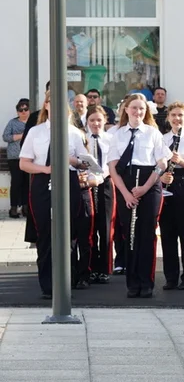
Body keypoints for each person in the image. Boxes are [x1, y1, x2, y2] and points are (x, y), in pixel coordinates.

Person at [19, 96, 90, 299]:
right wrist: (46, 169)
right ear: (46, 105)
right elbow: (24, 163)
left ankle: (66, 284)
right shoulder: (36, 131)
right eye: (52, 101)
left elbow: (85, 162)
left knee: (67, 233)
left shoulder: (74, 132)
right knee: (45, 233)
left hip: (68, 181)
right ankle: (48, 285)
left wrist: (72, 160)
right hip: (43, 182)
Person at [108, 93, 170, 299]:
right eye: (133, 108)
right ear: (126, 110)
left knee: (146, 234)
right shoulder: (117, 134)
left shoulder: (153, 133)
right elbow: (113, 168)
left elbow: (161, 163)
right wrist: (126, 194)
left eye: (141, 108)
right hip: (126, 184)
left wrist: (144, 188)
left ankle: (146, 282)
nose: (137, 112)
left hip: (149, 183)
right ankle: (132, 283)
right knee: (130, 235)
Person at [158, 102, 184, 291]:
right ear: (168, 117)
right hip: (166, 182)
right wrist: (161, 175)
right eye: (174, 115)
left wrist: (180, 160)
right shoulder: (161, 139)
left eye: (180, 115)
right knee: (167, 233)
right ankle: (170, 276)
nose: (177, 119)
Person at [84, 105, 115, 284]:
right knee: (90, 226)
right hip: (88, 184)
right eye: (92, 120)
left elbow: (114, 162)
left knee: (105, 226)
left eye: (99, 120)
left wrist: (102, 175)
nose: (95, 124)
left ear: (105, 121)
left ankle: (104, 268)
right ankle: (91, 267)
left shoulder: (110, 139)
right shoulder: (83, 138)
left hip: (106, 184)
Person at [4, 98, 30, 218]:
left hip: (29, 157)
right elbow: (6, 137)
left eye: (26, 109)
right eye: (21, 110)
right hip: (15, 157)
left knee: (26, 183)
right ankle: (13, 207)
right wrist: (21, 136)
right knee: (16, 183)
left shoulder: (33, 122)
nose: (23, 112)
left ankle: (25, 207)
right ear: (17, 112)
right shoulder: (12, 123)